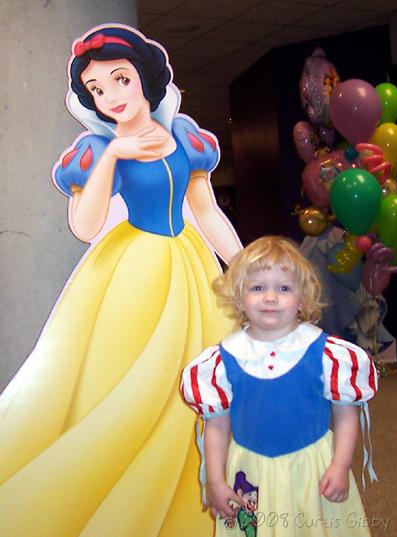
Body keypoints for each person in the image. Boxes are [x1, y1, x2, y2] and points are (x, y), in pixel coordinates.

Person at [0, 24, 241, 537]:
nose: (110, 96)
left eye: (119, 80)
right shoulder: (95, 148)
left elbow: (207, 209)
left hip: (191, 268)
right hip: (131, 276)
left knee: (204, 381)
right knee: (132, 389)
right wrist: (113, 155)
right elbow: (85, 226)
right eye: (97, 89)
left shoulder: (184, 137)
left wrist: (247, 266)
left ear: (145, 80)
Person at [181, 236, 378, 537]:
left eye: (283, 288)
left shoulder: (326, 353)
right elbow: (217, 427)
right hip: (250, 475)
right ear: (238, 296)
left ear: (303, 297)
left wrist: (340, 465)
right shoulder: (224, 360)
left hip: (311, 471)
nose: (270, 297)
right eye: (257, 288)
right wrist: (217, 481)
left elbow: (345, 414)